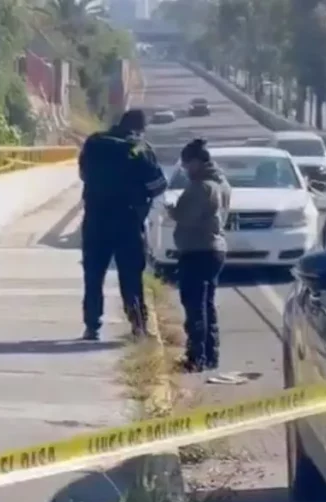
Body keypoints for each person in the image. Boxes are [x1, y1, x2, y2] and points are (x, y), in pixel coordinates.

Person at [77, 109, 168, 341]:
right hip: (127, 222)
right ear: (139, 127)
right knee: (130, 276)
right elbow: (158, 185)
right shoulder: (139, 149)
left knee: (93, 275)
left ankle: (92, 326)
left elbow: (83, 174)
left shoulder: (94, 142)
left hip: (95, 220)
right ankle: (138, 325)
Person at [165, 139, 230, 372]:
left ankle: (196, 357)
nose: (184, 169)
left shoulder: (201, 186)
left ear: (195, 162)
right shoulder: (221, 182)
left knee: (194, 305)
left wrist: (173, 210)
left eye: (186, 165)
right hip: (214, 248)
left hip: (198, 249)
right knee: (207, 304)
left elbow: (187, 216)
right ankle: (211, 355)